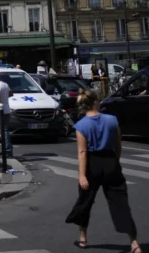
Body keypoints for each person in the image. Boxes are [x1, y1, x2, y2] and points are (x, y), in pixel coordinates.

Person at [65, 90, 141, 253]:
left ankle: (83, 238)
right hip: (110, 161)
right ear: (95, 102)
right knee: (120, 203)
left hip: (92, 163)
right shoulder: (112, 120)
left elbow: (82, 152)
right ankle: (133, 242)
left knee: (85, 201)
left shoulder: (81, 125)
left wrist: (82, 175)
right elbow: (118, 144)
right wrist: (115, 161)